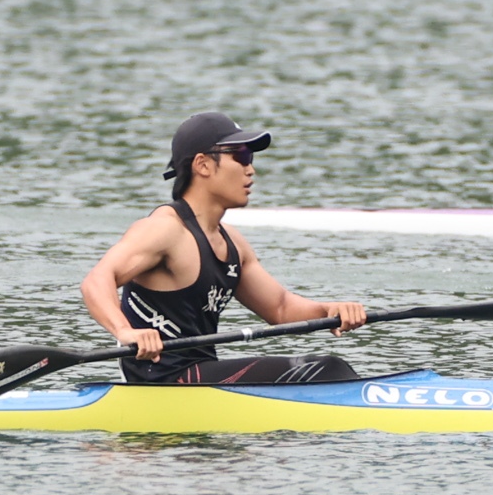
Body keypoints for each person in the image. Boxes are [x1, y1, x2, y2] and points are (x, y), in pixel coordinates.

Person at [81, 112, 368, 385]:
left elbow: (280, 307)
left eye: (250, 157)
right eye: (240, 156)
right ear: (203, 165)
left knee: (328, 369)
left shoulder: (232, 242)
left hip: (202, 376)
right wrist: (125, 331)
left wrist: (329, 310)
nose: (250, 169)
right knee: (326, 369)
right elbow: (97, 280)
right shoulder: (164, 229)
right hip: (163, 381)